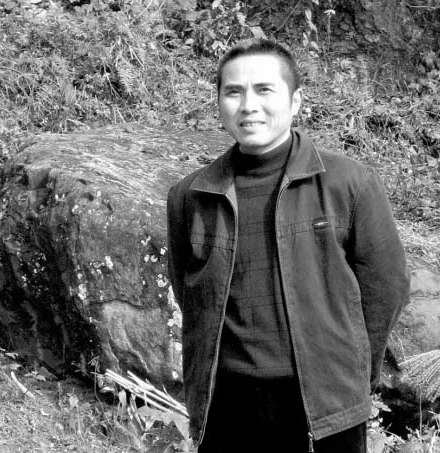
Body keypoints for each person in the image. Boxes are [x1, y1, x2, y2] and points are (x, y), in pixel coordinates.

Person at [166, 38, 410, 453]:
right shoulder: (191, 195)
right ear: (219, 102)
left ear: (295, 101)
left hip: (324, 403)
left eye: (264, 90)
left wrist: (351, 373)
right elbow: (188, 293)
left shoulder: (348, 183)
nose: (248, 105)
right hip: (226, 404)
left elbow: (386, 287)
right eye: (233, 92)